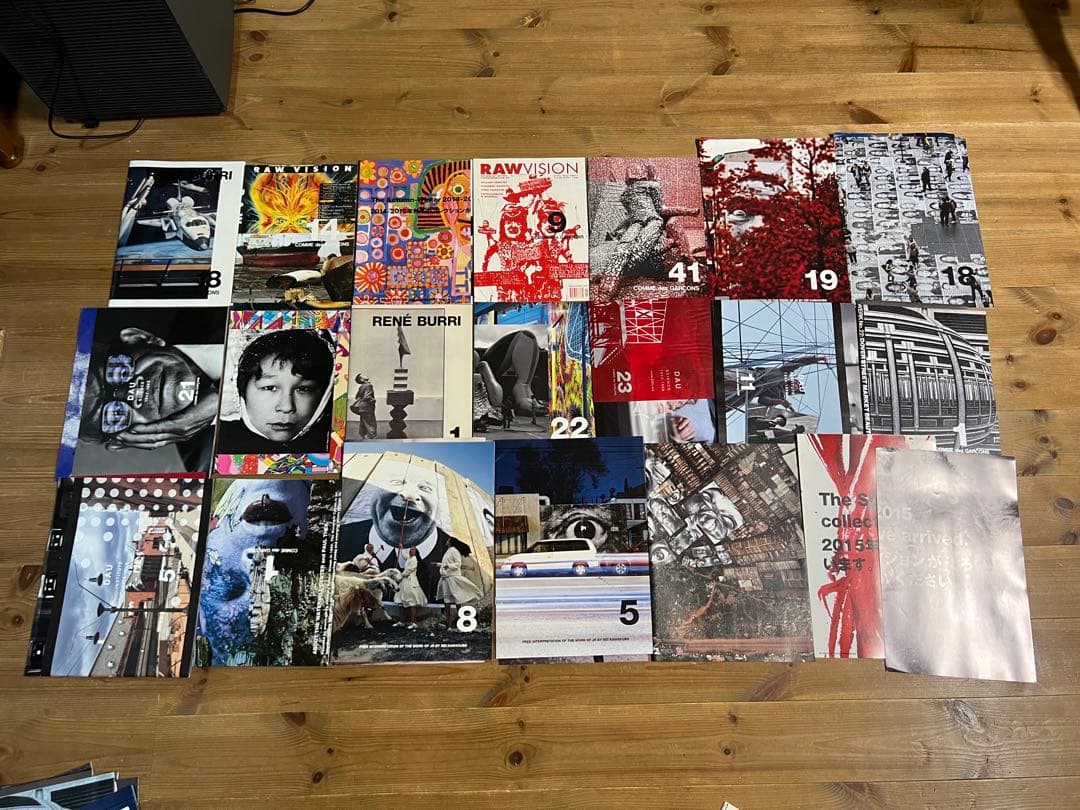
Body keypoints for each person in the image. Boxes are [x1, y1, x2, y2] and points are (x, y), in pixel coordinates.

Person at [78, 325, 222, 472]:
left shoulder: (217, 319)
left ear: (138, 338)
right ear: (121, 443)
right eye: (115, 415)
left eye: (119, 371)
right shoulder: (216, 466)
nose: (133, 393)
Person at [216, 329, 334, 454]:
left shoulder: (332, 445)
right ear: (241, 390)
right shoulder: (217, 441)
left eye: (303, 389)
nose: (287, 407)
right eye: (270, 388)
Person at [436, 538, 484, 630]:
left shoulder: (454, 551)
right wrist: (438, 564)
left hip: (452, 578)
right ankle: (449, 625)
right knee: (447, 600)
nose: (447, 541)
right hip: (445, 578)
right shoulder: (448, 551)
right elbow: (446, 564)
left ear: (450, 542)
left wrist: (448, 566)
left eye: (448, 540)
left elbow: (458, 564)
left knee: (456, 599)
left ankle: (460, 622)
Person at [394, 548, 426, 630]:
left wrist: (400, 576)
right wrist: (401, 548)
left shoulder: (414, 560)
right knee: (401, 601)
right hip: (404, 582)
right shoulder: (409, 558)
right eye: (410, 550)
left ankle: (413, 622)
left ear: (415, 552)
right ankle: (401, 621)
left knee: (412, 602)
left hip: (410, 582)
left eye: (413, 550)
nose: (410, 551)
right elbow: (404, 556)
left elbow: (408, 571)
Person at [350, 372, 378, 439]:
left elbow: (357, 397)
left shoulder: (362, 386)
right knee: (370, 422)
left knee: (364, 421)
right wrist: (373, 400)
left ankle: (363, 434)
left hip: (362, 407)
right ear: (362, 379)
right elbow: (367, 396)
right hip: (367, 407)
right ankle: (371, 436)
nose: (365, 375)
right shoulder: (369, 385)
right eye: (363, 376)